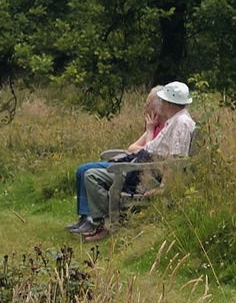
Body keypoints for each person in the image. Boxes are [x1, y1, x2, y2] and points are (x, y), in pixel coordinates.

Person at [68, 81, 195, 241]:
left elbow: (175, 160)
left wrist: (163, 188)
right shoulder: (175, 120)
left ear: (169, 103)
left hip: (148, 173)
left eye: (163, 100)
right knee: (90, 173)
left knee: (92, 176)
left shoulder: (181, 123)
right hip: (141, 166)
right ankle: (103, 222)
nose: (161, 103)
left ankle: (108, 223)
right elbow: (150, 149)